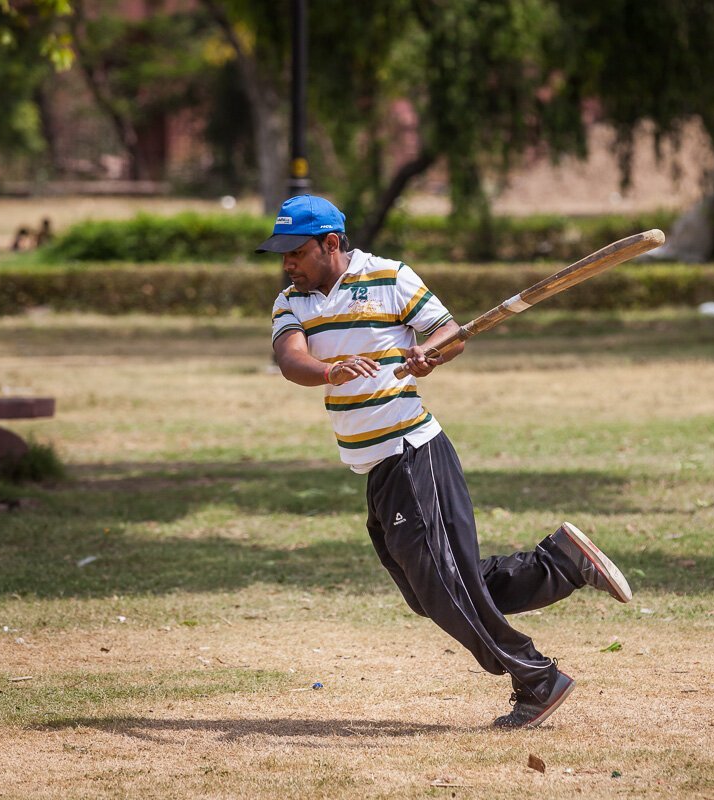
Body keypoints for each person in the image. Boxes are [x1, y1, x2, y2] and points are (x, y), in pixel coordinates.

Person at [260, 195, 633, 729]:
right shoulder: (291, 301)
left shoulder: (390, 277)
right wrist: (329, 371)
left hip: (411, 450)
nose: (287, 264)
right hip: (375, 464)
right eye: (282, 255)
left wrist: (428, 353)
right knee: (430, 590)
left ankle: (536, 677)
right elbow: (290, 360)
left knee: (440, 582)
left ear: (331, 243)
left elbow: (446, 332)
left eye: (295, 252)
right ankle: (560, 564)